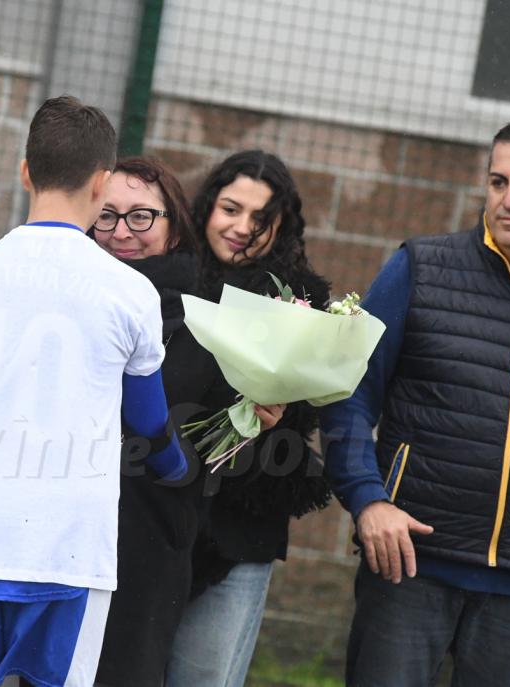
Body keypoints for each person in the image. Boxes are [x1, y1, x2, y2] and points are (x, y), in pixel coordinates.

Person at [320, 119, 510, 686]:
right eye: (497, 181)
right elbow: (348, 391)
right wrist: (368, 501)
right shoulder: (419, 268)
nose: (508, 199)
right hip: (409, 559)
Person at [0, 97, 186, 687]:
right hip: (70, 549)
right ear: (102, 183)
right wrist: (176, 468)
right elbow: (147, 419)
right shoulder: (130, 291)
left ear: (25, 172)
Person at [165, 150, 333, 687]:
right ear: (207, 207)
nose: (242, 228)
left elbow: (306, 418)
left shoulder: (301, 301)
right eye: (230, 209)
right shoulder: (170, 279)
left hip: (239, 531)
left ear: (282, 227)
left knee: (205, 677)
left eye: (261, 218)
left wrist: (278, 414)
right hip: (157, 517)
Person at [89, 156, 226, 687]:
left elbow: (216, 447)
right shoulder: (65, 301)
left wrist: (256, 418)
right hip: (62, 533)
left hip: (149, 544)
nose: (122, 232)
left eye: (141, 216)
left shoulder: (207, 322)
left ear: (174, 229)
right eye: (107, 215)